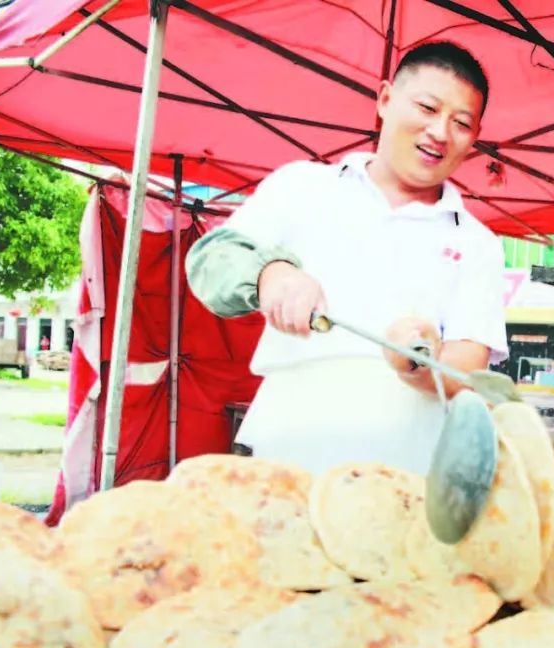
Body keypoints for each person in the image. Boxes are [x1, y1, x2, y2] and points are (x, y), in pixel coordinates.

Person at [187, 41, 507, 475]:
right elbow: (212, 260)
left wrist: (413, 364)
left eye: (461, 123)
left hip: (411, 477)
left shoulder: (477, 242)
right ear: (385, 99)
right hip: (286, 464)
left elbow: (467, 368)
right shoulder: (301, 186)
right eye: (428, 108)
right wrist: (272, 274)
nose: (440, 132)